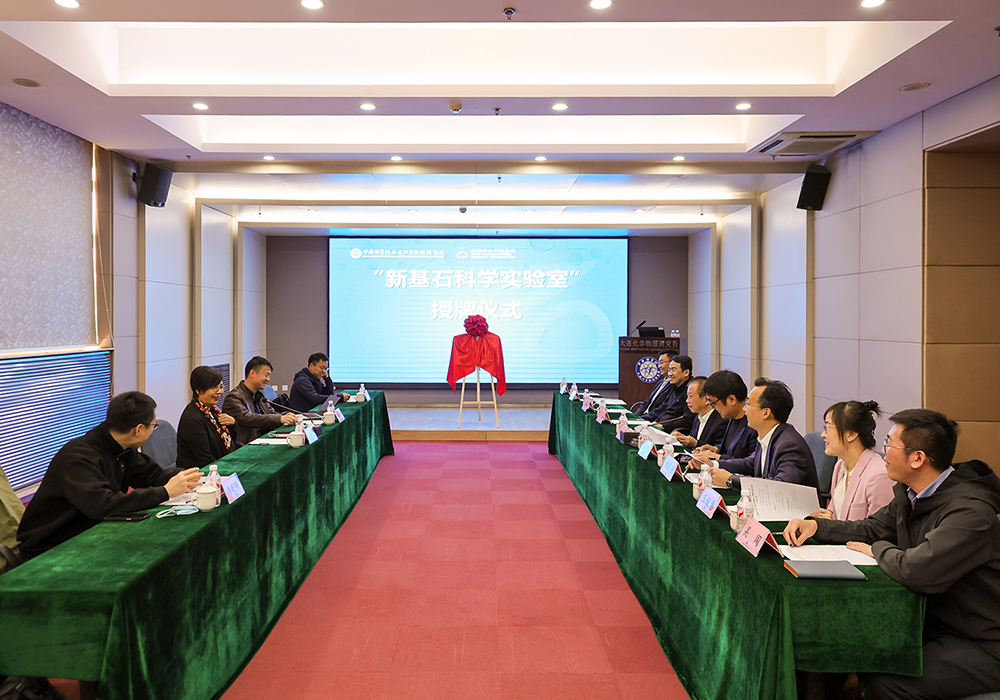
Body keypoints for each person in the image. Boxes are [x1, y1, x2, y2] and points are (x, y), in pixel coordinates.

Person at [784, 409, 1000, 700]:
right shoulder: (911, 494)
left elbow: (917, 569)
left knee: (887, 679)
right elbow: (871, 528)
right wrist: (817, 527)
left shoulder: (970, 512)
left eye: (889, 444)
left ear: (917, 458)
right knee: (853, 642)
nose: (882, 451)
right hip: (930, 621)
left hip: (982, 641)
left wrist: (879, 550)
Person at [15, 392, 202, 561]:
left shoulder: (122, 447)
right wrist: (165, 492)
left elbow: (153, 475)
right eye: (153, 426)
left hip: (91, 533)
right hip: (50, 548)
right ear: (138, 429)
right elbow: (104, 506)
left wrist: (187, 478)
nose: (154, 429)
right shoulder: (78, 458)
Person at [702, 377, 818, 490]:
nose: (744, 409)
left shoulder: (789, 446)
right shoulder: (768, 435)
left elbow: (780, 487)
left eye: (748, 404)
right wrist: (713, 464)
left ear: (766, 413)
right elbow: (750, 464)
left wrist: (731, 480)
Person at [809, 400, 893, 521]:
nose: (823, 434)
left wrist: (833, 526)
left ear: (851, 434)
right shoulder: (840, 466)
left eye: (827, 427)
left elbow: (880, 529)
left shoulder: (878, 476)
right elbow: (834, 515)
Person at [222, 356, 298, 445]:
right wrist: (280, 418)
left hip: (265, 440)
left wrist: (285, 415)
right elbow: (249, 418)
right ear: (252, 373)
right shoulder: (234, 397)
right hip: (247, 446)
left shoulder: (259, 396)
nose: (268, 379)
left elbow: (270, 413)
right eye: (266, 375)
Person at [176, 366, 241, 470]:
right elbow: (205, 460)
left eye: (221, 387)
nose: (220, 392)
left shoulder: (212, 411)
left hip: (219, 465)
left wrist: (233, 424)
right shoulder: (192, 419)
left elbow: (230, 443)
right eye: (214, 388)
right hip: (200, 473)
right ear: (199, 390)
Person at [692, 370, 758, 461]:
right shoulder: (732, 417)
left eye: (713, 403)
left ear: (732, 399)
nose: (713, 408)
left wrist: (719, 457)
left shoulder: (753, 424)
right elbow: (731, 449)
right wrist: (716, 449)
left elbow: (751, 463)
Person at [638, 354, 695, 433]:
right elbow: (664, 408)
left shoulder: (691, 390)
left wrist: (663, 426)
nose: (670, 374)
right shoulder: (674, 387)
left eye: (673, 370)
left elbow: (687, 420)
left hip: (672, 432)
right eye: (669, 370)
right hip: (660, 427)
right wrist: (656, 421)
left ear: (686, 372)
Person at [671, 375, 726, 450]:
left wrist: (696, 444)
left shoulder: (721, 421)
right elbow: (694, 438)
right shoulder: (698, 415)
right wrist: (683, 437)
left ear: (706, 400)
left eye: (690, 396)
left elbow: (719, 450)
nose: (687, 401)